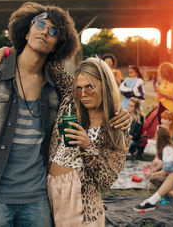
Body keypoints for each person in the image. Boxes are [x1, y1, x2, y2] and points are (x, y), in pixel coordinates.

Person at [0, 2, 130, 227]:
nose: (46, 31)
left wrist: (121, 112)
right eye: (40, 24)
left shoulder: (58, 85)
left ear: (58, 45)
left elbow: (96, 91)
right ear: (26, 31)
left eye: (54, 31)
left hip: (39, 197)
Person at [47, 57, 130, 226]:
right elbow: (48, 62)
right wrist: (7, 50)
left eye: (90, 87)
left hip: (81, 201)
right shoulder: (72, 100)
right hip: (49, 191)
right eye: (79, 88)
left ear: (104, 86)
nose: (83, 94)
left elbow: (108, 179)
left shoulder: (116, 127)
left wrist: (87, 146)